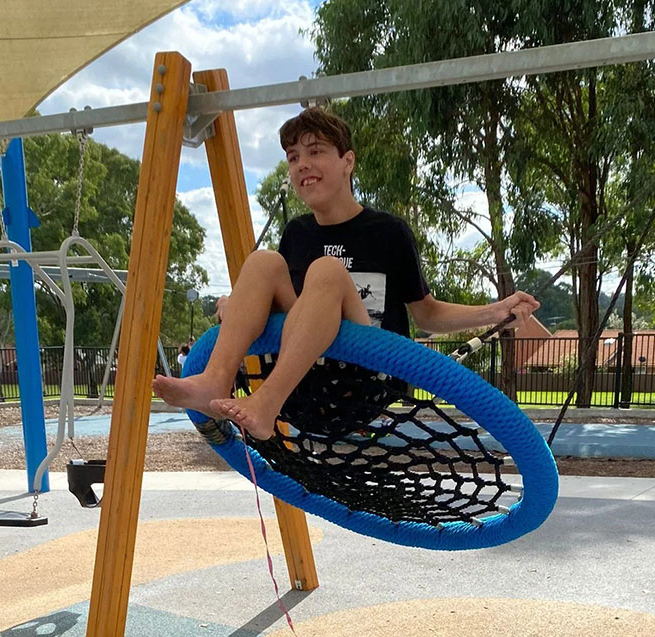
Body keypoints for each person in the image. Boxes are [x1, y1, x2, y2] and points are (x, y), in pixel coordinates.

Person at [152, 107, 539, 440]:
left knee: (327, 272)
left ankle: (265, 404)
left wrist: (495, 311)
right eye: (292, 157)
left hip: (364, 381)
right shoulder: (297, 233)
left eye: (315, 152)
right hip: (304, 384)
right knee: (262, 262)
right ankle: (214, 380)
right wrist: (237, 309)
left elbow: (427, 315)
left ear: (347, 161)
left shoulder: (388, 233)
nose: (301, 163)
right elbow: (285, 309)